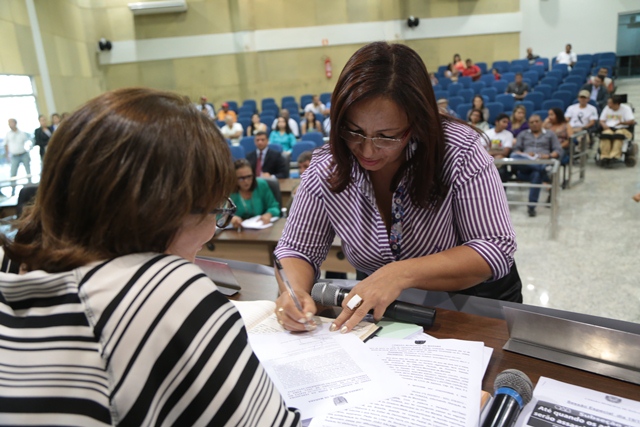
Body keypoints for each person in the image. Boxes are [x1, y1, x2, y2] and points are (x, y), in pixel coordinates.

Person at [0, 88, 300, 426]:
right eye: (215, 209)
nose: (210, 232)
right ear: (158, 211)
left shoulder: (15, 265)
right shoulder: (165, 291)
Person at [274, 42, 518, 335]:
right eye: (354, 131)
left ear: (415, 123)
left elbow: (495, 246)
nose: (367, 149)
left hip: (474, 301)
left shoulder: (459, 150)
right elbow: (296, 248)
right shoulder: (327, 165)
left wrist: (399, 273)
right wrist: (295, 292)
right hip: (381, 305)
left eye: (386, 136)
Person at [511, 114, 563, 217]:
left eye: (537, 121)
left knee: (536, 175)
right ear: (528, 124)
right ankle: (543, 169)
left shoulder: (550, 134)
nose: (534, 124)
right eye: (531, 122)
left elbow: (558, 150)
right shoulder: (523, 134)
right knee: (513, 155)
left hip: (542, 160)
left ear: (541, 122)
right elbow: (515, 150)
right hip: (525, 163)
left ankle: (531, 207)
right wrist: (525, 155)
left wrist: (547, 156)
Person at [229, 158, 281, 228]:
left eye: (249, 177)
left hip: (262, 229)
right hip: (237, 230)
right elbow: (220, 213)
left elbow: (274, 206)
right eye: (241, 178)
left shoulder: (261, 185)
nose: (246, 181)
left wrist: (269, 214)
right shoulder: (229, 190)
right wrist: (231, 218)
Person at [599, 95, 636, 167]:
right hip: (609, 128)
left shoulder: (626, 109)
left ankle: (614, 156)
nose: (608, 105)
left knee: (618, 135)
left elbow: (631, 121)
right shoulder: (607, 108)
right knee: (606, 135)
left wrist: (622, 123)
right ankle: (604, 156)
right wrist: (604, 125)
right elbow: (601, 120)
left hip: (623, 128)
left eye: (610, 103)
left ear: (617, 104)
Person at [4, 118, 32, 196]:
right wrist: (7, 156)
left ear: (15, 123)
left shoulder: (22, 133)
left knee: (28, 172)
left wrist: (28, 150)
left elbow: (28, 142)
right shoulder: (8, 134)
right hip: (14, 156)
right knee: (13, 174)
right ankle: (13, 191)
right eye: (9, 123)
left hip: (23, 154)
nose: (10, 125)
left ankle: (31, 188)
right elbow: (6, 145)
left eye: (11, 123)